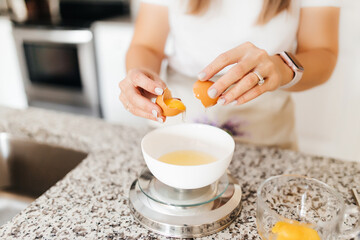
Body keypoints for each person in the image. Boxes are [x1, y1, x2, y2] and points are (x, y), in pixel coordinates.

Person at [118, 0, 340, 150]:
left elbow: (323, 53)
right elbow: (146, 45)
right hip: (178, 127)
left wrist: (281, 68)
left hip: (265, 133)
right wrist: (141, 78)